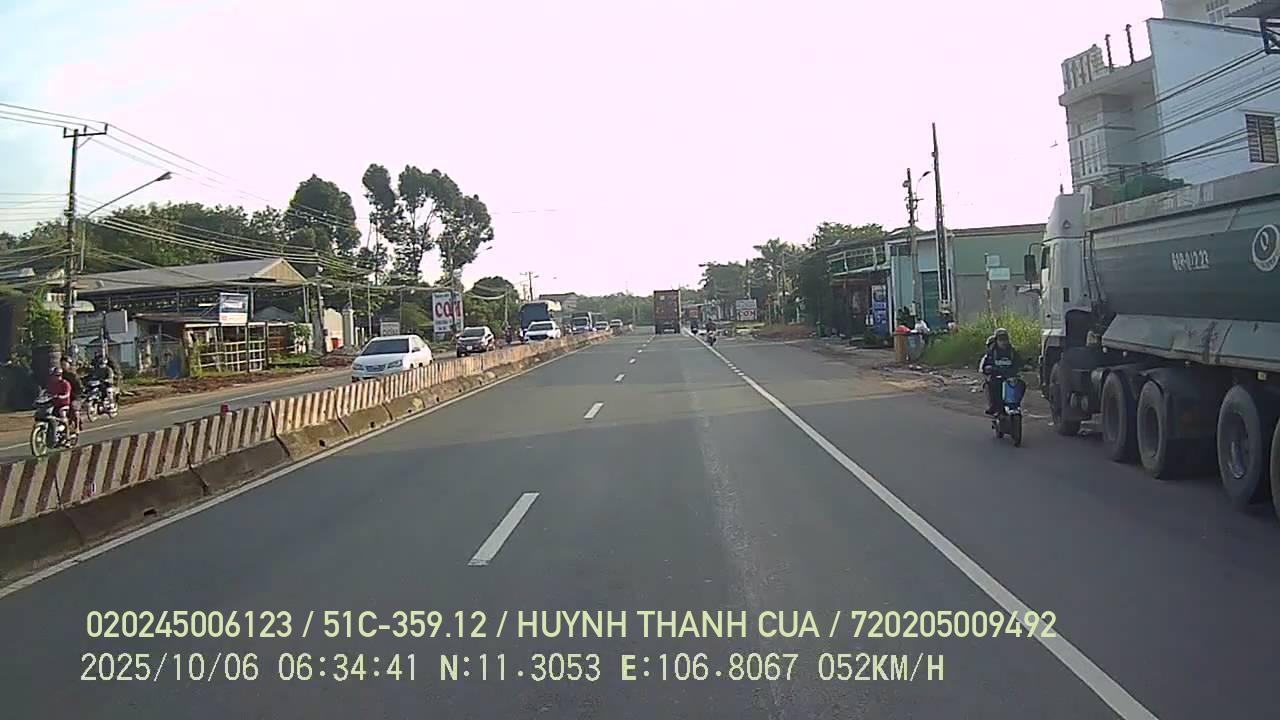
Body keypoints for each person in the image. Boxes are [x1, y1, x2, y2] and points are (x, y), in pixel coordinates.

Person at [980, 327, 1024, 416]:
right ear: (996, 340)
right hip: (997, 377)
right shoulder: (991, 352)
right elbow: (984, 366)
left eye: (1005, 339)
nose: (1003, 342)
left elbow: (1020, 361)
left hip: (1010, 377)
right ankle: (994, 406)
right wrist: (988, 369)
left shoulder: (1012, 351)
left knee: (1021, 384)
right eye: (1001, 340)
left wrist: (1025, 366)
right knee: (991, 384)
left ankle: (1016, 404)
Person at [61, 359, 85, 434]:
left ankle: (77, 427)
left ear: (68, 365)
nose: (63, 366)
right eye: (62, 364)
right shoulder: (59, 374)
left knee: (74, 408)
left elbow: (80, 387)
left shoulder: (73, 375)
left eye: (65, 364)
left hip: (74, 397)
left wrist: (75, 394)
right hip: (62, 397)